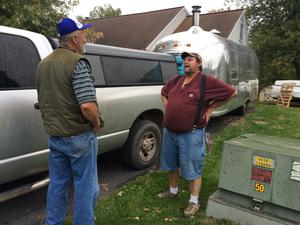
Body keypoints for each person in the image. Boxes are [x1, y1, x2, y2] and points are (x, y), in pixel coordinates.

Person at [36, 17, 102, 225]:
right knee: (86, 187)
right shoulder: (77, 62)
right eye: (83, 34)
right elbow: (87, 105)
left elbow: (46, 99)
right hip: (79, 137)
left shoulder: (43, 64)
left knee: (57, 184)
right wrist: (96, 124)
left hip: (55, 137)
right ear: (74, 39)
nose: (85, 38)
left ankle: (52, 222)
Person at [158, 52, 236, 217]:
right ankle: (173, 191)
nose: (186, 62)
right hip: (170, 132)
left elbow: (231, 92)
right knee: (171, 164)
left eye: (190, 59)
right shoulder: (176, 81)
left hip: (191, 133)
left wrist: (211, 108)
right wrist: (170, 106)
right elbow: (163, 93)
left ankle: (194, 202)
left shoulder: (206, 81)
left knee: (193, 168)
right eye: (185, 59)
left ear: (199, 64)